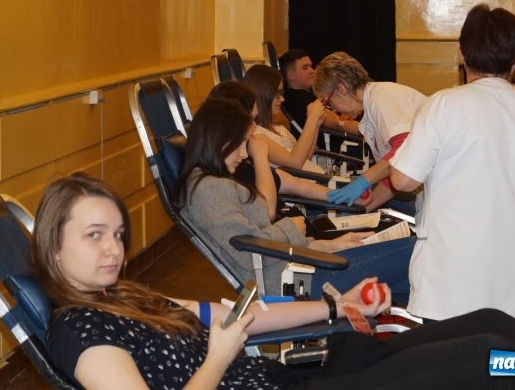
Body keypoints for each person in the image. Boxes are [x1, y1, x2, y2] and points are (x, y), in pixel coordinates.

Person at [33, 173, 515, 390]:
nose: (113, 248)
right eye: (94, 235)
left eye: (117, 233)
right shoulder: (80, 332)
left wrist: (335, 306)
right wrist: (217, 358)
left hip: (304, 372)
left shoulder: (126, 297)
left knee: (489, 324)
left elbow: (245, 317)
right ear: (52, 245)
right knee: (487, 359)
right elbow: (225, 344)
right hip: (293, 387)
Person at [388, 4, 515, 325]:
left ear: (462, 54)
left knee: (451, 355)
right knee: (504, 355)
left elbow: (402, 180)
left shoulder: (442, 104)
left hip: (450, 280)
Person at [175, 97, 414, 300]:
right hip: (296, 282)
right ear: (218, 139)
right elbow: (248, 251)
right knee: (417, 249)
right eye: (240, 144)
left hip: (299, 266)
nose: (244, 153)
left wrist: (328, 245)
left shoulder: (214, 183)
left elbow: (260, 240)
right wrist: (293, 227)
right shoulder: (207, 191)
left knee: (411, 281)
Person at [206, 80, 372, 221]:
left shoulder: (247, 159)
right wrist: (260, 156)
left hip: (304, 207)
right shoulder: (243, 160)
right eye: (251, 118)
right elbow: (268, 211)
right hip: (295, 221)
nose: (254, 125)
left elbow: (297, 184)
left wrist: (345, 196)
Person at [312, 52, 427, 213]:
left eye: (329, 102)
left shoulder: (383, 97)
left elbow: (403, 152)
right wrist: (362, 211)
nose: (334, 109)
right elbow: (391, 173)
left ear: (341, 89)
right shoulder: (371, 109)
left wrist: (362, 182)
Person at [242, 64, 326, 173]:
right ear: (263, 94)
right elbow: (295, 162)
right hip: (303, 182)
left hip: (312, 177)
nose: (282, 99)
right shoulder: (257, 135)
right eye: (277, 93)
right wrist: (312, 118)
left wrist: (316, 125)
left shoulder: (277, 126)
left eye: (281, 93)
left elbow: (305, 160)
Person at [279, 49, 361, 139]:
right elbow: (337, 124)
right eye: (305, 68)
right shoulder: (297, 99)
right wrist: (366, 130)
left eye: (311, 66)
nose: (312, 71)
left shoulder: (305, 94)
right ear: (291, 75)